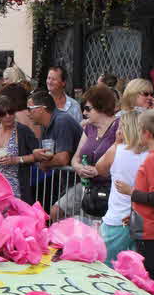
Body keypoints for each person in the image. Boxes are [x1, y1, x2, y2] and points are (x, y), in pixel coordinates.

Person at [114, 110, 154, 282]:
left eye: (139, 130)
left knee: (151, 279)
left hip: (152, 230)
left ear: (146, 134)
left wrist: (130, 191)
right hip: (153, 226)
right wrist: (134, 214)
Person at [51, 84, 119, 221]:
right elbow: (75, 158)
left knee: (97, 226)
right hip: (86, 185)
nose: (84, 113)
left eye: (88, 108)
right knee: (57, 211)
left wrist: (98, 170)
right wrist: (78, 167)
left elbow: (122, 158)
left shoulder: (119, 127)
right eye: (84, 109)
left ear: (101, 107)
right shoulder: (89, 128)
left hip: (110, 187)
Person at [99, 109, 147, 263]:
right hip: (142, 221)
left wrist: (115, 143)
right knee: (133, 270)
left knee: (105, 268)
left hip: (117, 219)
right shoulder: (153, 154)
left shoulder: (116, 150)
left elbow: (100, 169)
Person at [0, 92, 38, 202]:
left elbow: (38, 155)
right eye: (3, 113)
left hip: (15, 190)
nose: (8, 116)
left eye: (11, 112)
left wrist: (16, 159)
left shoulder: (23, 131)